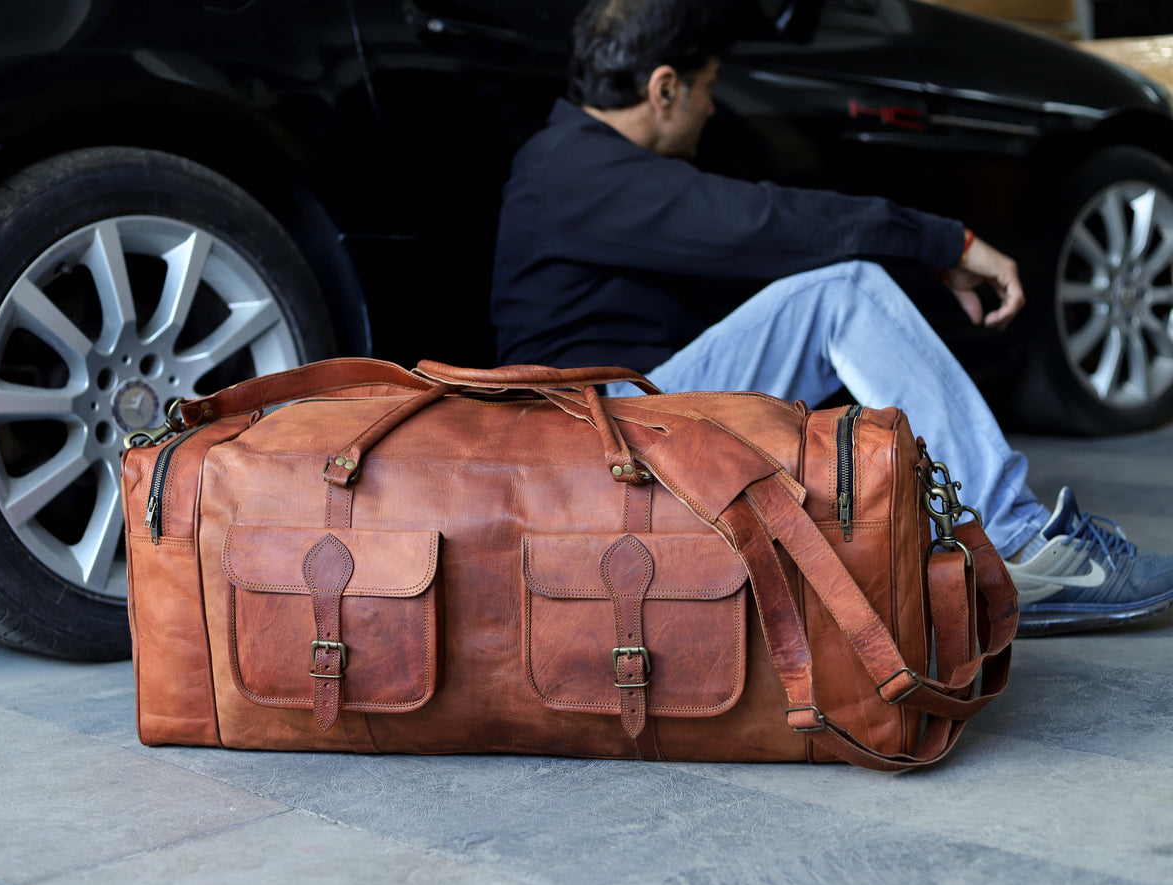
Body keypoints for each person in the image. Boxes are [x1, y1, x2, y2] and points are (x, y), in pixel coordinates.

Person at [490, 0, 1173, 637]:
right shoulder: (577, 170)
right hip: (598, 430)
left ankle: (980, 547)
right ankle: (1024, 549)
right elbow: (766, 222)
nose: (709, 109)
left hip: (620, 412)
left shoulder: (575, 165)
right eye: (705, 89)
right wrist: (948, 242)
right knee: (841, 295)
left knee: (830, 294)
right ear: (664, 87)